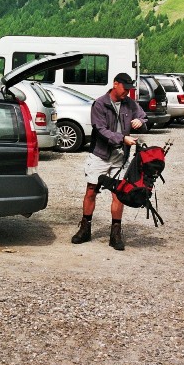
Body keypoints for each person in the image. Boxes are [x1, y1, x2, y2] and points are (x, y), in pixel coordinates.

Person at [71, 72, 147, 250]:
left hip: (121, 156)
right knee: (91, 190)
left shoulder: (130, 104)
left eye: (129, 89)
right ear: (115, 84)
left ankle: (116, 234)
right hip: (100, 154)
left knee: (119, 193)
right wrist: (122, 138)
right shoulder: (100, 104)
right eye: (125, 88)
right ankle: (85, 229)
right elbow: (101, 130)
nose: (127, 93)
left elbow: (144, 118)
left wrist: (139, 121)